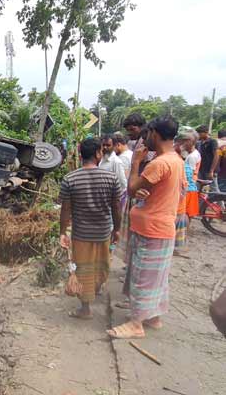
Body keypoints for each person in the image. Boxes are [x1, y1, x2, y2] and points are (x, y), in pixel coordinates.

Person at [108, 116, 185, 339]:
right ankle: (153, 316)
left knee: (142, 275)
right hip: (161, 226)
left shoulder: (159, 163)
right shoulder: (175, 160)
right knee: (155, 276)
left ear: (156, 134)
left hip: (152, 227)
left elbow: (131, 189)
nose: (144, 138)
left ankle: (136, 324)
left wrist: (135, 164)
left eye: (147, 133)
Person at [59, 137, 123, 319]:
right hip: (103, 232)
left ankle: (85, 308)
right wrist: (117, 229)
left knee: (83, 269)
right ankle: (95, 290)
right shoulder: (111, 178)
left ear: (81, 155)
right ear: (97, 154)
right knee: (101, 266)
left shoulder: (69, 179)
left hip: (81, 235)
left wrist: (62, 232)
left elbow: (65, 210)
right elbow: (116, 207)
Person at [173, 134, 194, 256]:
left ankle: (174, 246)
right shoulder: (178, 160)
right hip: (178, 201)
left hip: (179, 200)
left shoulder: (181, 161)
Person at [180, 133, 201, 220]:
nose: (182, 143)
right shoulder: (195, 153)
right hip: (191, 187)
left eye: (185, 141)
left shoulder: (192, 156)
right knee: (187, 215)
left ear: (191, 142)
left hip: (188, 188)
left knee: (185, 214)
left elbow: (188, 174)